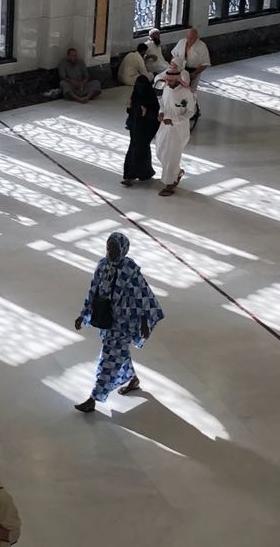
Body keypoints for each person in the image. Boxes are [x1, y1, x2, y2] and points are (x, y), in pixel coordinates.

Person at [72, 232, 164, 412]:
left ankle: (93, 398)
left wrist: (144, 322)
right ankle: (133, 380)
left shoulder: (130, 269)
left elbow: (143, 295)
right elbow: (93, 291)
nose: (110, 252)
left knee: (109, 358)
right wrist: (83, 315)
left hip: (125, 323)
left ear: (123, 250)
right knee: (119, 354)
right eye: (108, 248)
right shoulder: (102, 266)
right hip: (107, 320)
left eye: (114, 249)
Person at [156, 67, 195, 196]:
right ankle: (177, 172)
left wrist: (174, 120)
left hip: (178, 130)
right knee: (160, 152)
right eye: (167, 80)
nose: (168, 82)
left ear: (178, 79)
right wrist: (161, 113)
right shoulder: (166, 89)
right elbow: (162, 104)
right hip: (164, 127)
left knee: (171, 157)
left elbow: (190, 112)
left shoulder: (186, 92)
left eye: (171, 80)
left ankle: (170, 184)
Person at [121, 74, 160, 186]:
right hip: (135, 128)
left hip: (147, 128)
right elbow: (132, 112)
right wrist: (129, 108)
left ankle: (130, 176)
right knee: (138, 149)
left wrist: (146, 113)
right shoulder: (135, 95)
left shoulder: (151, 98)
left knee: (138, 150)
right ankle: (145, 173)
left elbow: (156, 115)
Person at [170, 28, 210, 125]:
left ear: (197, 38)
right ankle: (179, 110)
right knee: (179, 90)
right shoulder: (181, 42)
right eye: (188, 37)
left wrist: (195, 73)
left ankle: (192, 112)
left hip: (194, 71)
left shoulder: (202, 46)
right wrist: (173, 67)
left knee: (191, 92)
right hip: (181, 70)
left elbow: (205, 63)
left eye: (192, 38)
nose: (189, 39)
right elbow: (174, 55)